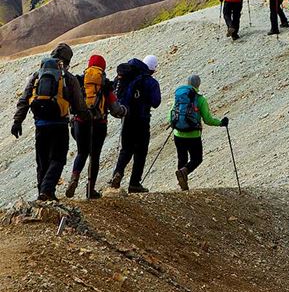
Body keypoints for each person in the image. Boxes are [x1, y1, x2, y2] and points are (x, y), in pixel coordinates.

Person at [11, 43, 88, 201]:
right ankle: (47, 190)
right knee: (58, 158)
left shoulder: (36, 76)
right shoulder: (68, 77)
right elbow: (79, 104)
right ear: (67, 60)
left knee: (42, 160)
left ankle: (43, 194)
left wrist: (17, 121)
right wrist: (86, 116)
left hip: (40, 125)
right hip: (59, 125)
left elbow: (24, 99)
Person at [66, 54, 127, 199]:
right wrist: (124, 111)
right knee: (95, 156)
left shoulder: (79, 81)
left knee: (82, 152)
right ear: (103, 67)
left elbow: (70, 103)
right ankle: (90, 189)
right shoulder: (105, 85)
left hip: (80, 123)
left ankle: (74, 178)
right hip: (99, 124)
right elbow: (115, 109)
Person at [109, 54, 162, 193]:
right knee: (141, 152)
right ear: (152, 69)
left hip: (126, 118)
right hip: (142, 120)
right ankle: (134, 183)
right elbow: (156, 102)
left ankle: (117, 174)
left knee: (126, 150)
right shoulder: (150, 82)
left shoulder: (126, 76)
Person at [170, 74, 228, 191]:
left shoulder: (179, 97)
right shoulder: (200, 99)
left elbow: (171, 114)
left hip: (178, 134)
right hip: (193, 135)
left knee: (182, 159)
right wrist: (221, 123)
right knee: (197, 159)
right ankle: (184, 172)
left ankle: (183, 185)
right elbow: (208, 119)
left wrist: (175, 124)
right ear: (198, 84)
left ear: (188, 83)